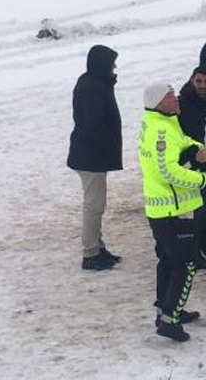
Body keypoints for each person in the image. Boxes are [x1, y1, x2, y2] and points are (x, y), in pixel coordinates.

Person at [138, 82, 206, 342]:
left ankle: (167, 309)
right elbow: (167, 170)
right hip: (173, 209)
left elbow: (182, 142)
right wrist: (200, 179)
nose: (177, 98)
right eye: (170, 95)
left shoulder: (163, 121)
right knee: (187, 264)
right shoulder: (161, 130)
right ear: (158, 101)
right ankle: (170, 319)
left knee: (168, 260)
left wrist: (196, 148)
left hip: (163, 208)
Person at [67, 45, 124, 271]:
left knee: (95, 203)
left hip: (91, 155)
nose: (114, 68)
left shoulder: (94, 83)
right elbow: (92, 125)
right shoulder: (93, 87)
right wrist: (106, 145)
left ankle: (97, 247)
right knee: (94, 206)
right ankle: (90, 253)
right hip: (91, 156)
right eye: (111, 64)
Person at [179, 66, 206, 265]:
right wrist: (193, 160)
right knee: (202, 207)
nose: (202, 86)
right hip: (194, 162)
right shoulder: (182, 104)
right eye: (199, 81)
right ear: (191, 80)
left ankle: (204, 241)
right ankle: (193, 253)